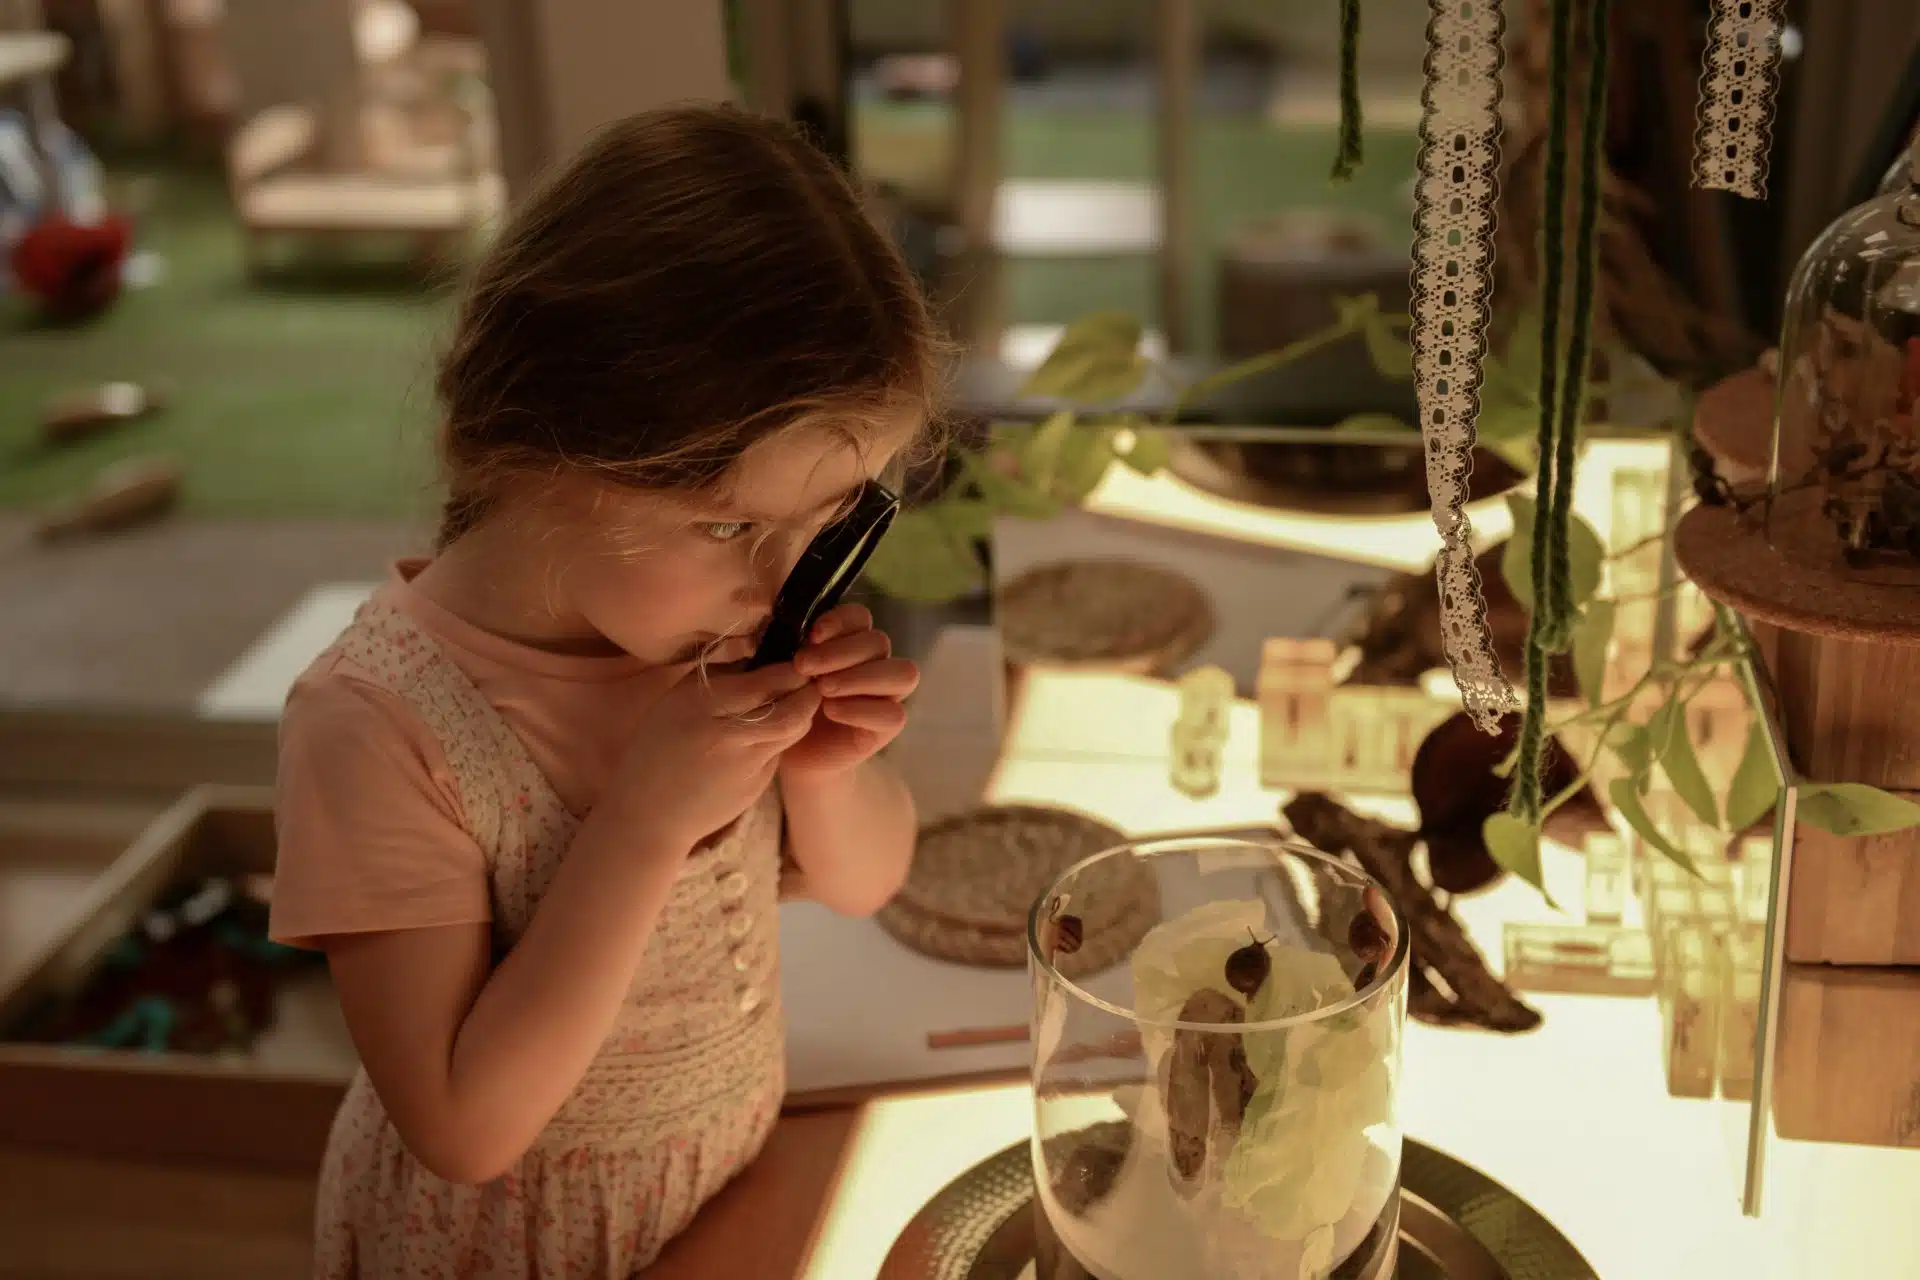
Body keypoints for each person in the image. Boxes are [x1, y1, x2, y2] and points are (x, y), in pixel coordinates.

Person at [267, 103, 941, 1277]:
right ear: (546, 453)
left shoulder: (702, 626)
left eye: (831, 522)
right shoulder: (378, 725)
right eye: (730, 522)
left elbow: (867, 879)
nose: (779, 582)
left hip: (722, 1201)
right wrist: (645, 820)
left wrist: (827, 772)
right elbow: (462, 1125)